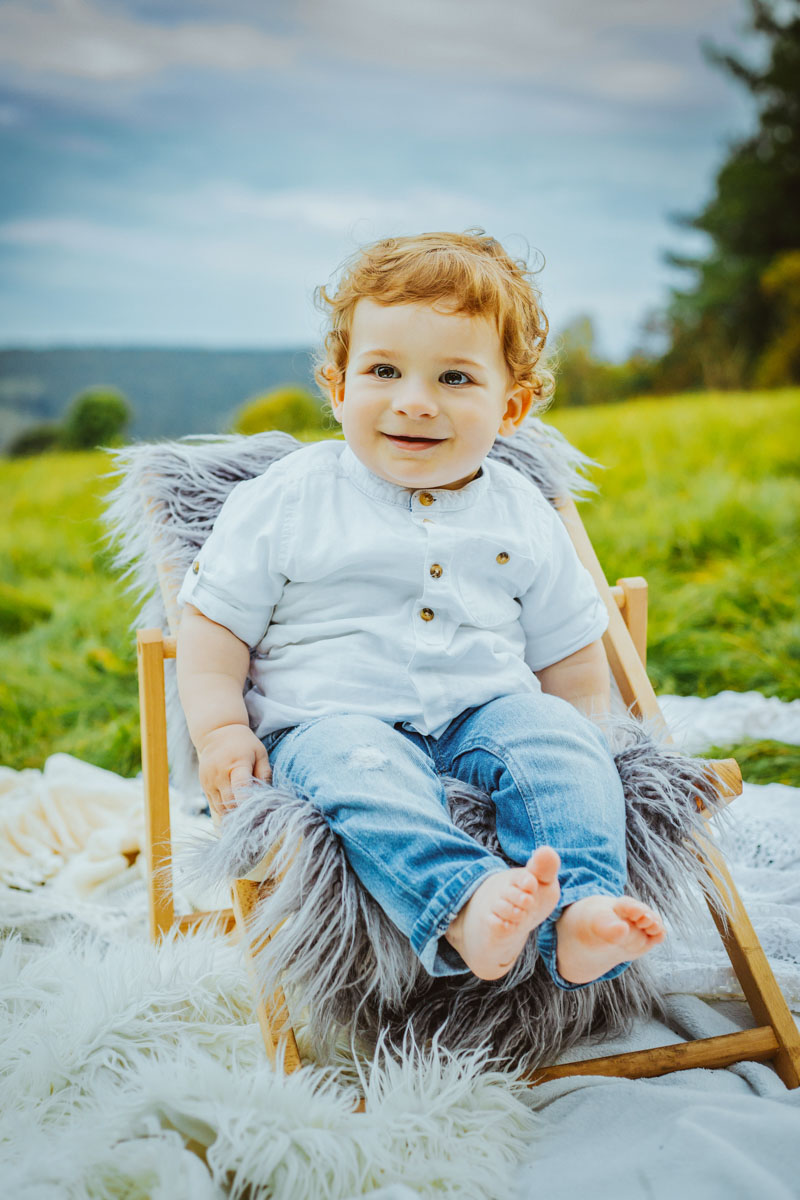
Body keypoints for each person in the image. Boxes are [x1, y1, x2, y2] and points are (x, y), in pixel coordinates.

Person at [176, 229, 665, 989]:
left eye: (455, 379)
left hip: (485, 711)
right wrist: (220, 731)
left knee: (564, 746)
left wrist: (584, 735)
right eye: (383, 370)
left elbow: (570, 646)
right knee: (358, 771)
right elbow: (213, 622)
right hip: (330, 717)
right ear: (337, 387)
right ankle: (464, 901)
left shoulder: (522, 508)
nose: (414, 402)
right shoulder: (291, 495)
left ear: (514, 406)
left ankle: (580, 911)